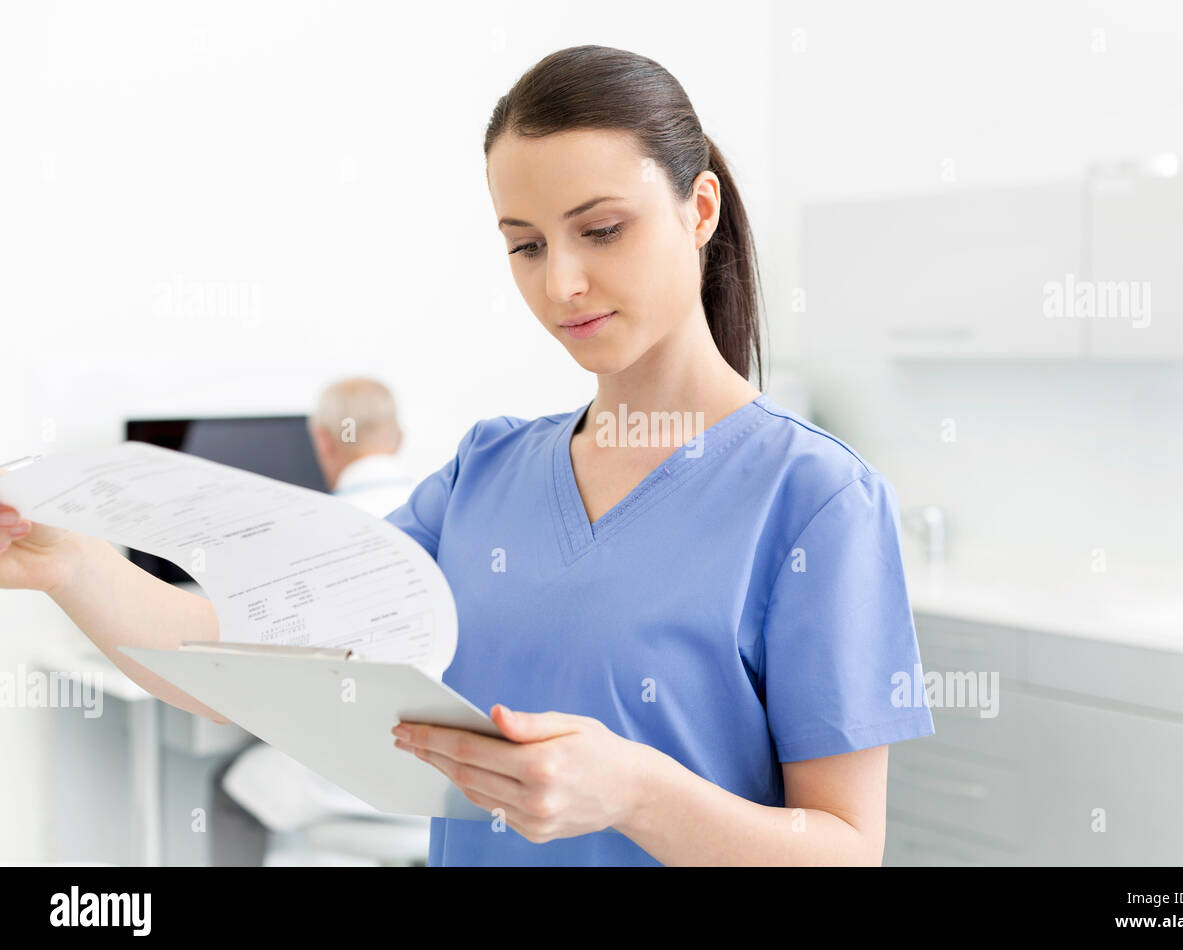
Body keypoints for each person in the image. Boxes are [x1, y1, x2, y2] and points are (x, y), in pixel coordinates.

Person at [0, 44, 934, 867]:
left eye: (601, 230)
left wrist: (636, 794)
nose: (561, 282)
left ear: (699, 210)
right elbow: (235, 670)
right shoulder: (485, 477)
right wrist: (70, 564)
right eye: (525, 246)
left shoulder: (815, 500)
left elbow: (845, 851)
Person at [210, 377, 425, 865]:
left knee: (230, 785)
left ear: (322, 442)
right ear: (398, 438)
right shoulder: (453, 515)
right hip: (448, 776)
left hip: (350, 780)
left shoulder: (301, 535)